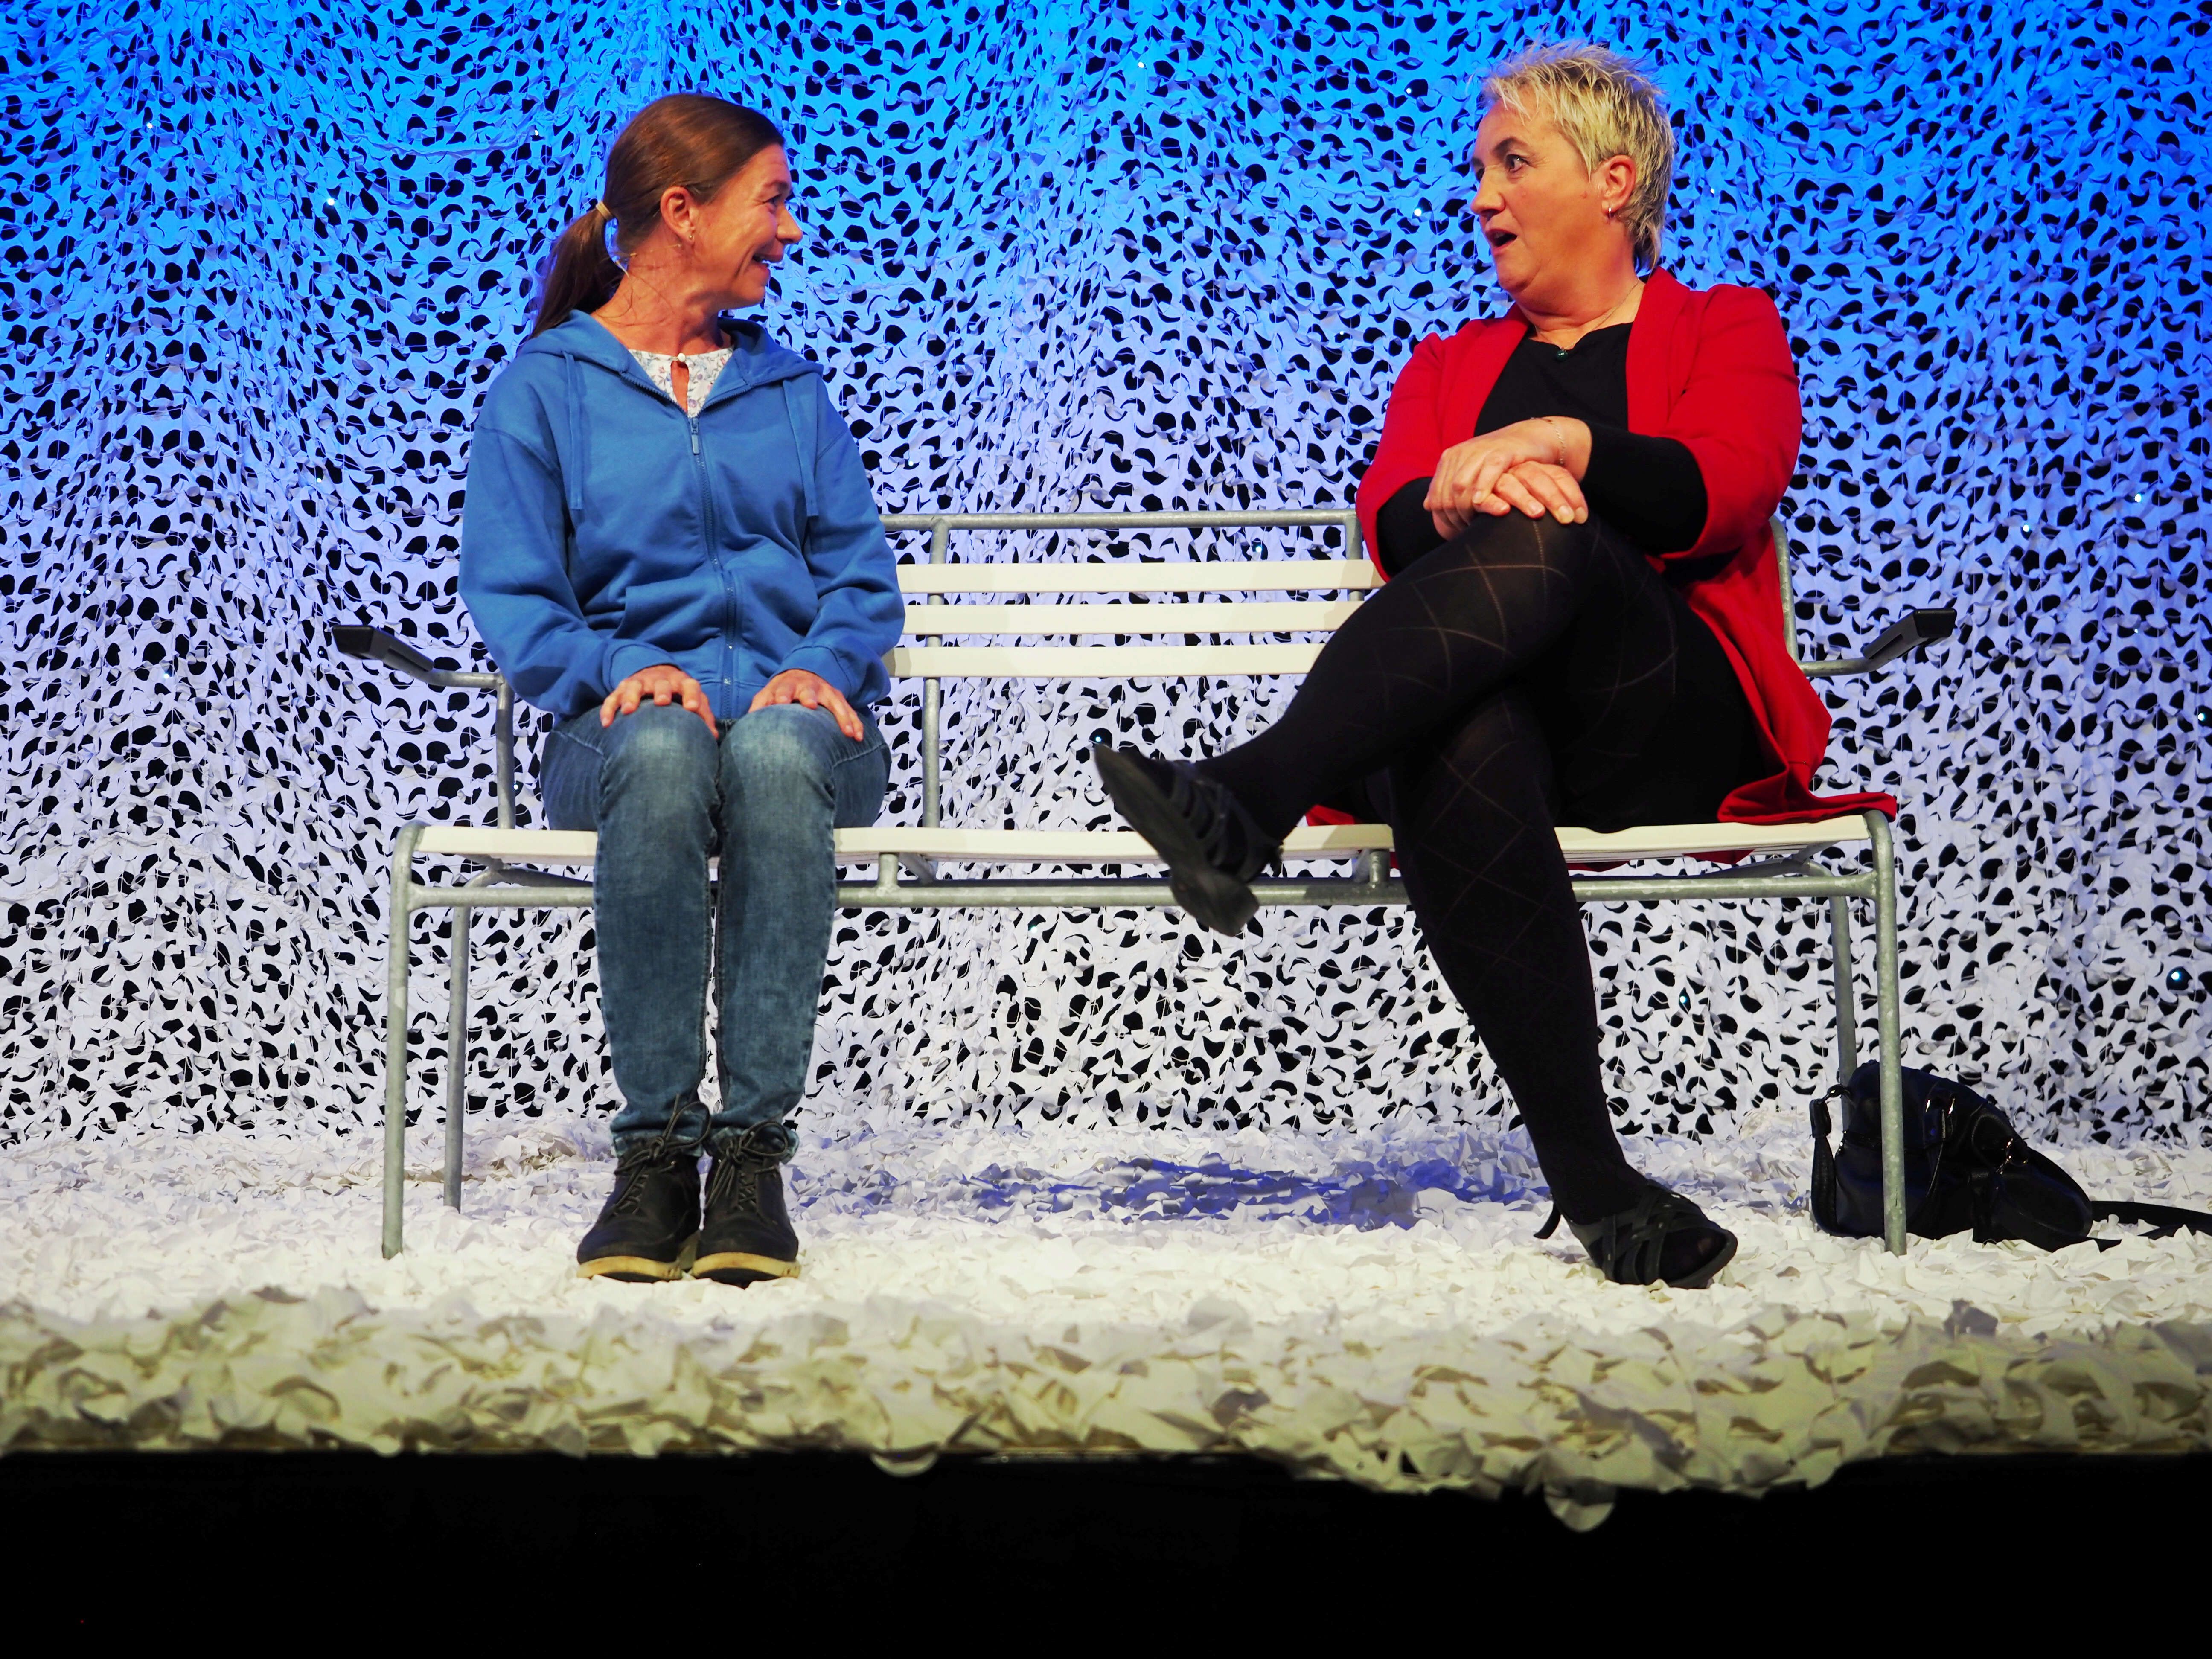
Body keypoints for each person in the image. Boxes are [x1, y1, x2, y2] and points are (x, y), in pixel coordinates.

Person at [1094, 44, 1891, 1289]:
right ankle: (1599, 1186)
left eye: (1514, 163)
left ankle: (1251, 793)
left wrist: (1560, 445)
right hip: (1504, 719)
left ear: (1614, 181)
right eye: (1481, 170)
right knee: (1460, 726)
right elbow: (1391, 520)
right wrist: (1459, 495)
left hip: (1661, 715)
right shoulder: (1447, 362)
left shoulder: (1722, 323)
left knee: (1554, 530)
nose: (1483, 197)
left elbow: (1727, 488)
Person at [459, 95, 903, 1285]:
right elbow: (516, 596)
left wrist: (817, 664)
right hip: (615, 738)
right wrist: (617, 668)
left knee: (771, 749)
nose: (791, 229)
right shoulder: (545, 390)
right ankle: (655, 1156)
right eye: (773, 201)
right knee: (660, 746)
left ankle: (751, 1156)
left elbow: (862, 581)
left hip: (805, 733)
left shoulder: (788, 392)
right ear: (681, 213)